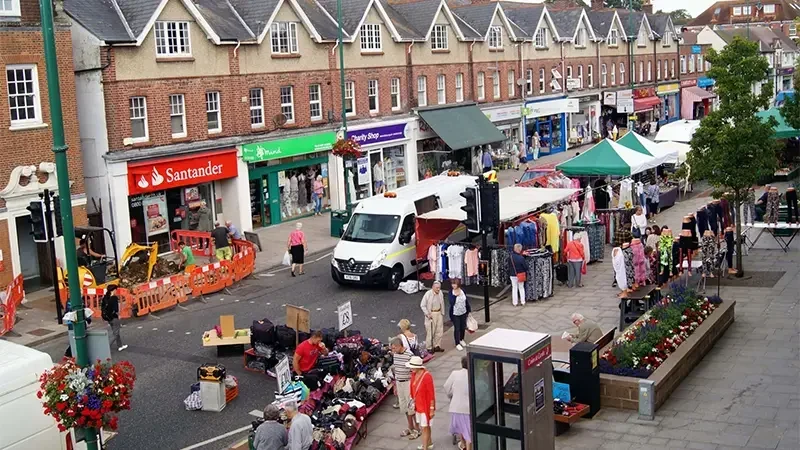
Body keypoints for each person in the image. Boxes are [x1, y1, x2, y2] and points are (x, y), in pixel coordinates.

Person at [390, 337, 420, 440]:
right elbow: (396, 370)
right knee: (404, 407)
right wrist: (395, 385)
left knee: (411, 407)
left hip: (408, 383)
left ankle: (417, 429)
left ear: (399, 346)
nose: (393, 350)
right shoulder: (395, 355)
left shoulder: (409, 355)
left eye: (394, 348)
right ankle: (410, 427)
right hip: (399, 382)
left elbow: (414, 371)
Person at [407, 356, 435, 450]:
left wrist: (432, 408)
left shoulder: (427, 376)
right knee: (426, 426)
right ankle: (429, 443)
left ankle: (425, 447)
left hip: (425, 406)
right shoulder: (413, 375)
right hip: (418, 405)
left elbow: (431, 394)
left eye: (412, 366)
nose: (410, 368)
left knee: (424, 427)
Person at [444, 356, 472, 450]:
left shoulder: (455, 374)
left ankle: (463, 444)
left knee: (461, 427)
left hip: (456, 406)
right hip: (468, 408)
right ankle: (467, 446)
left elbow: (446, 386)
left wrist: (451, 395)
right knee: (468, 431)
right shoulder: (473, 375)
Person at [420, 282, 445, 353]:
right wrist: (427, 313)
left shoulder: (440, 293)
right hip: (431, 314)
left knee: (439, 331)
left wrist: (442, 313)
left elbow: (442, 303)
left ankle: (437, 345)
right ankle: (429, 347)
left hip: (439, 312)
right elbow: (422, 305)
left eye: (439, 287)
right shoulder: (428, 294)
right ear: (433, 287)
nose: (438, 289)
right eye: (437, 288)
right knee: (430, 331)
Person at [101, 285, 127, 352]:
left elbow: (102, 308)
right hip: (114, 317)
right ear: (113, 290)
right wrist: (118, 316)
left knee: (115, 332)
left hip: (108, 318)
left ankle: (120, 346)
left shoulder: (105, 297)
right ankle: (105, 348)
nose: (116, 291)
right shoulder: (114, 298)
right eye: (116, 290)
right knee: (115, 334)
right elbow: (116, 309)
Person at [448, 279, 470, 351]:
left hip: (463, 312)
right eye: (452, 284)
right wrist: (455, 296)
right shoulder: (451, 292)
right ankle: (457, 343)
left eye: (455, 284)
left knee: (463, 327)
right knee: (457, 328)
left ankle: (461, 339)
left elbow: (466, 300)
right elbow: (451, 302)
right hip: (455, 313)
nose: (453, 285)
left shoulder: (462, 290)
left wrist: (468, 310)